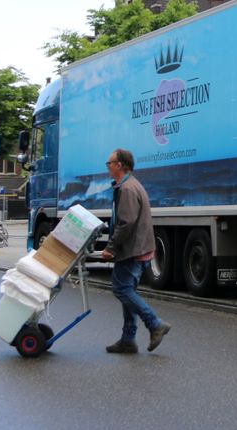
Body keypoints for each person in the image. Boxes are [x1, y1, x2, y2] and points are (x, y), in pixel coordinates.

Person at [100, 148, 171, 353]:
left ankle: (155, 324)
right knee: (127, 291)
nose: (108, 166)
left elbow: (126, 223)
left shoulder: (128, 189)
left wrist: (111, 248)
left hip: (133, 249)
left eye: (110, 163)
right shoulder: (131, 185)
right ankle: (128, 339)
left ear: (119, 165)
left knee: (121, 289)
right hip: (138, 247)